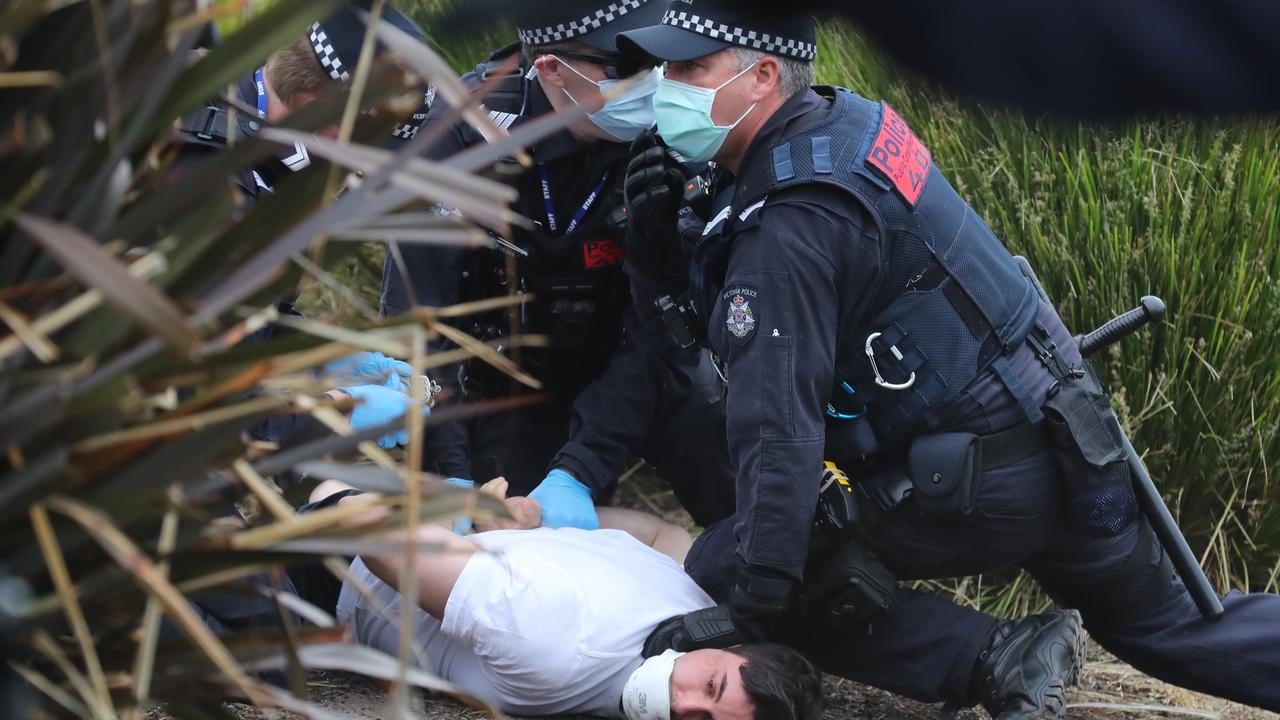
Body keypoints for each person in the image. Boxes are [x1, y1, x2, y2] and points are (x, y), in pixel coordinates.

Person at [610, 3, 1280, 718]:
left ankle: (996, 659)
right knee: (1167, 624)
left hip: (971, 482)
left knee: (736, 562)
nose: (665, 85)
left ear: (763, 76)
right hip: (1069, 439)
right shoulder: (844, 123)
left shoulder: (789, 230)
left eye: (688, 68)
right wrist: (657, 257)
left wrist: (749, 610)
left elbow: (777, 436)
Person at [381, 0, 737, 531]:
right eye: (627, 68)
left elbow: (664, 325)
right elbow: (421, 326)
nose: (654, 81)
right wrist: (448, 470)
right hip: (507, 378)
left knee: (737, 464)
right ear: (551, 67)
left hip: (638, 359)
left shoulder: (675, 130)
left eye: (659, 60)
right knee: (512, 537)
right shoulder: (463, 138)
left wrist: (584, 463)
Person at [303, 478, 825, 719]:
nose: (682, 703)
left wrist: (541, 527)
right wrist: (335, 498)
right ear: (732, 649)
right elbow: (369, 530)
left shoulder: (688, 597)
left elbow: (657, 534)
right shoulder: (552, 644)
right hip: (330, 581)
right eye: (710, 686)